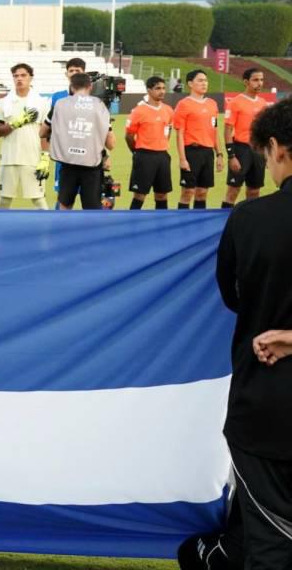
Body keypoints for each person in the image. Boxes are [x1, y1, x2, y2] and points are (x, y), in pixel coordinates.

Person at [215, 97, 292, 569]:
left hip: (263, 410)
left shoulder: (249, 219)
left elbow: (233, 296)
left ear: (277, 149)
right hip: (261, 411)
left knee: (270, 545)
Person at [42, 72, 115, 210]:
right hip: (92, 166)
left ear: (71, 87)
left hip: (68, 164)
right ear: (90, 86)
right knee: (91, 208)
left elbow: (42, 132)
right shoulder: (99, 106)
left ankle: (64, 232)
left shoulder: (60, 104)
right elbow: (111, 144)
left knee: (65, 205)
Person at [0, 63, 50, 210]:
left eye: (23, 75)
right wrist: (15, 123)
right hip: (9, 158)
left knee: (38, 200)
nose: (19, 79)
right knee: (4, 200)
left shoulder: (42, 102)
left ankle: (49, 230)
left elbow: (46, 133)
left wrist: (45, 158)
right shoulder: (3, 102)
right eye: (16, 76)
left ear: (31, 77)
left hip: (33, 159)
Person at [174, 69, 223, 209]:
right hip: (192, 152)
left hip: (208, 153)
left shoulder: (212, 104)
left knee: (202, 192)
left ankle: (198, 228)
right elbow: (179, 134)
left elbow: (214, 130)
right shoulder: (183, 104)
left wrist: (219, 154)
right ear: (190, 83)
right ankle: (182, 225)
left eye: (206, 80)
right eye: (200, 80)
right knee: (187, 192)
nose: (204, 83)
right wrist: (182, 159)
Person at [223, 68, 272, 208]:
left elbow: (265, 131)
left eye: (261, 80)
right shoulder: (235, 102)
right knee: (233, 190)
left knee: (254, 191)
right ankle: (224, 224)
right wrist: (231, 155)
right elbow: (227, 130)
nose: (260, 83)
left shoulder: (263, 103)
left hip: (258, 151)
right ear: (246, 82)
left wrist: (267, 154)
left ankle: (250, 225)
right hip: (241, 150)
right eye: (256, 80)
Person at [125, 76, 175, 210]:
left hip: (163, 156)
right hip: (144, 156)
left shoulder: (168, 110)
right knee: (140, 195)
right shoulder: (139, 111)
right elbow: (129, 136)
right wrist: (136, 152)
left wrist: (163, 144)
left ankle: (162, 227)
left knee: (162, 195)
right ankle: (132, 226)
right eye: (158, 88)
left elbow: (168, 129)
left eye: (164, 88)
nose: (162, 91)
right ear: (149, 90)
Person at [47, 57, 87, 202]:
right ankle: (59, 224)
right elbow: (47, 126)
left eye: (78, 70)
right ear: (66, 74)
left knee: (89, 198)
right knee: (63, 198)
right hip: (63, 156)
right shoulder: (57, 97)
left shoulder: (93, 97)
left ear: (84, 73)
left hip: (88, 155)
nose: (74, 73)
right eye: (71, 70)